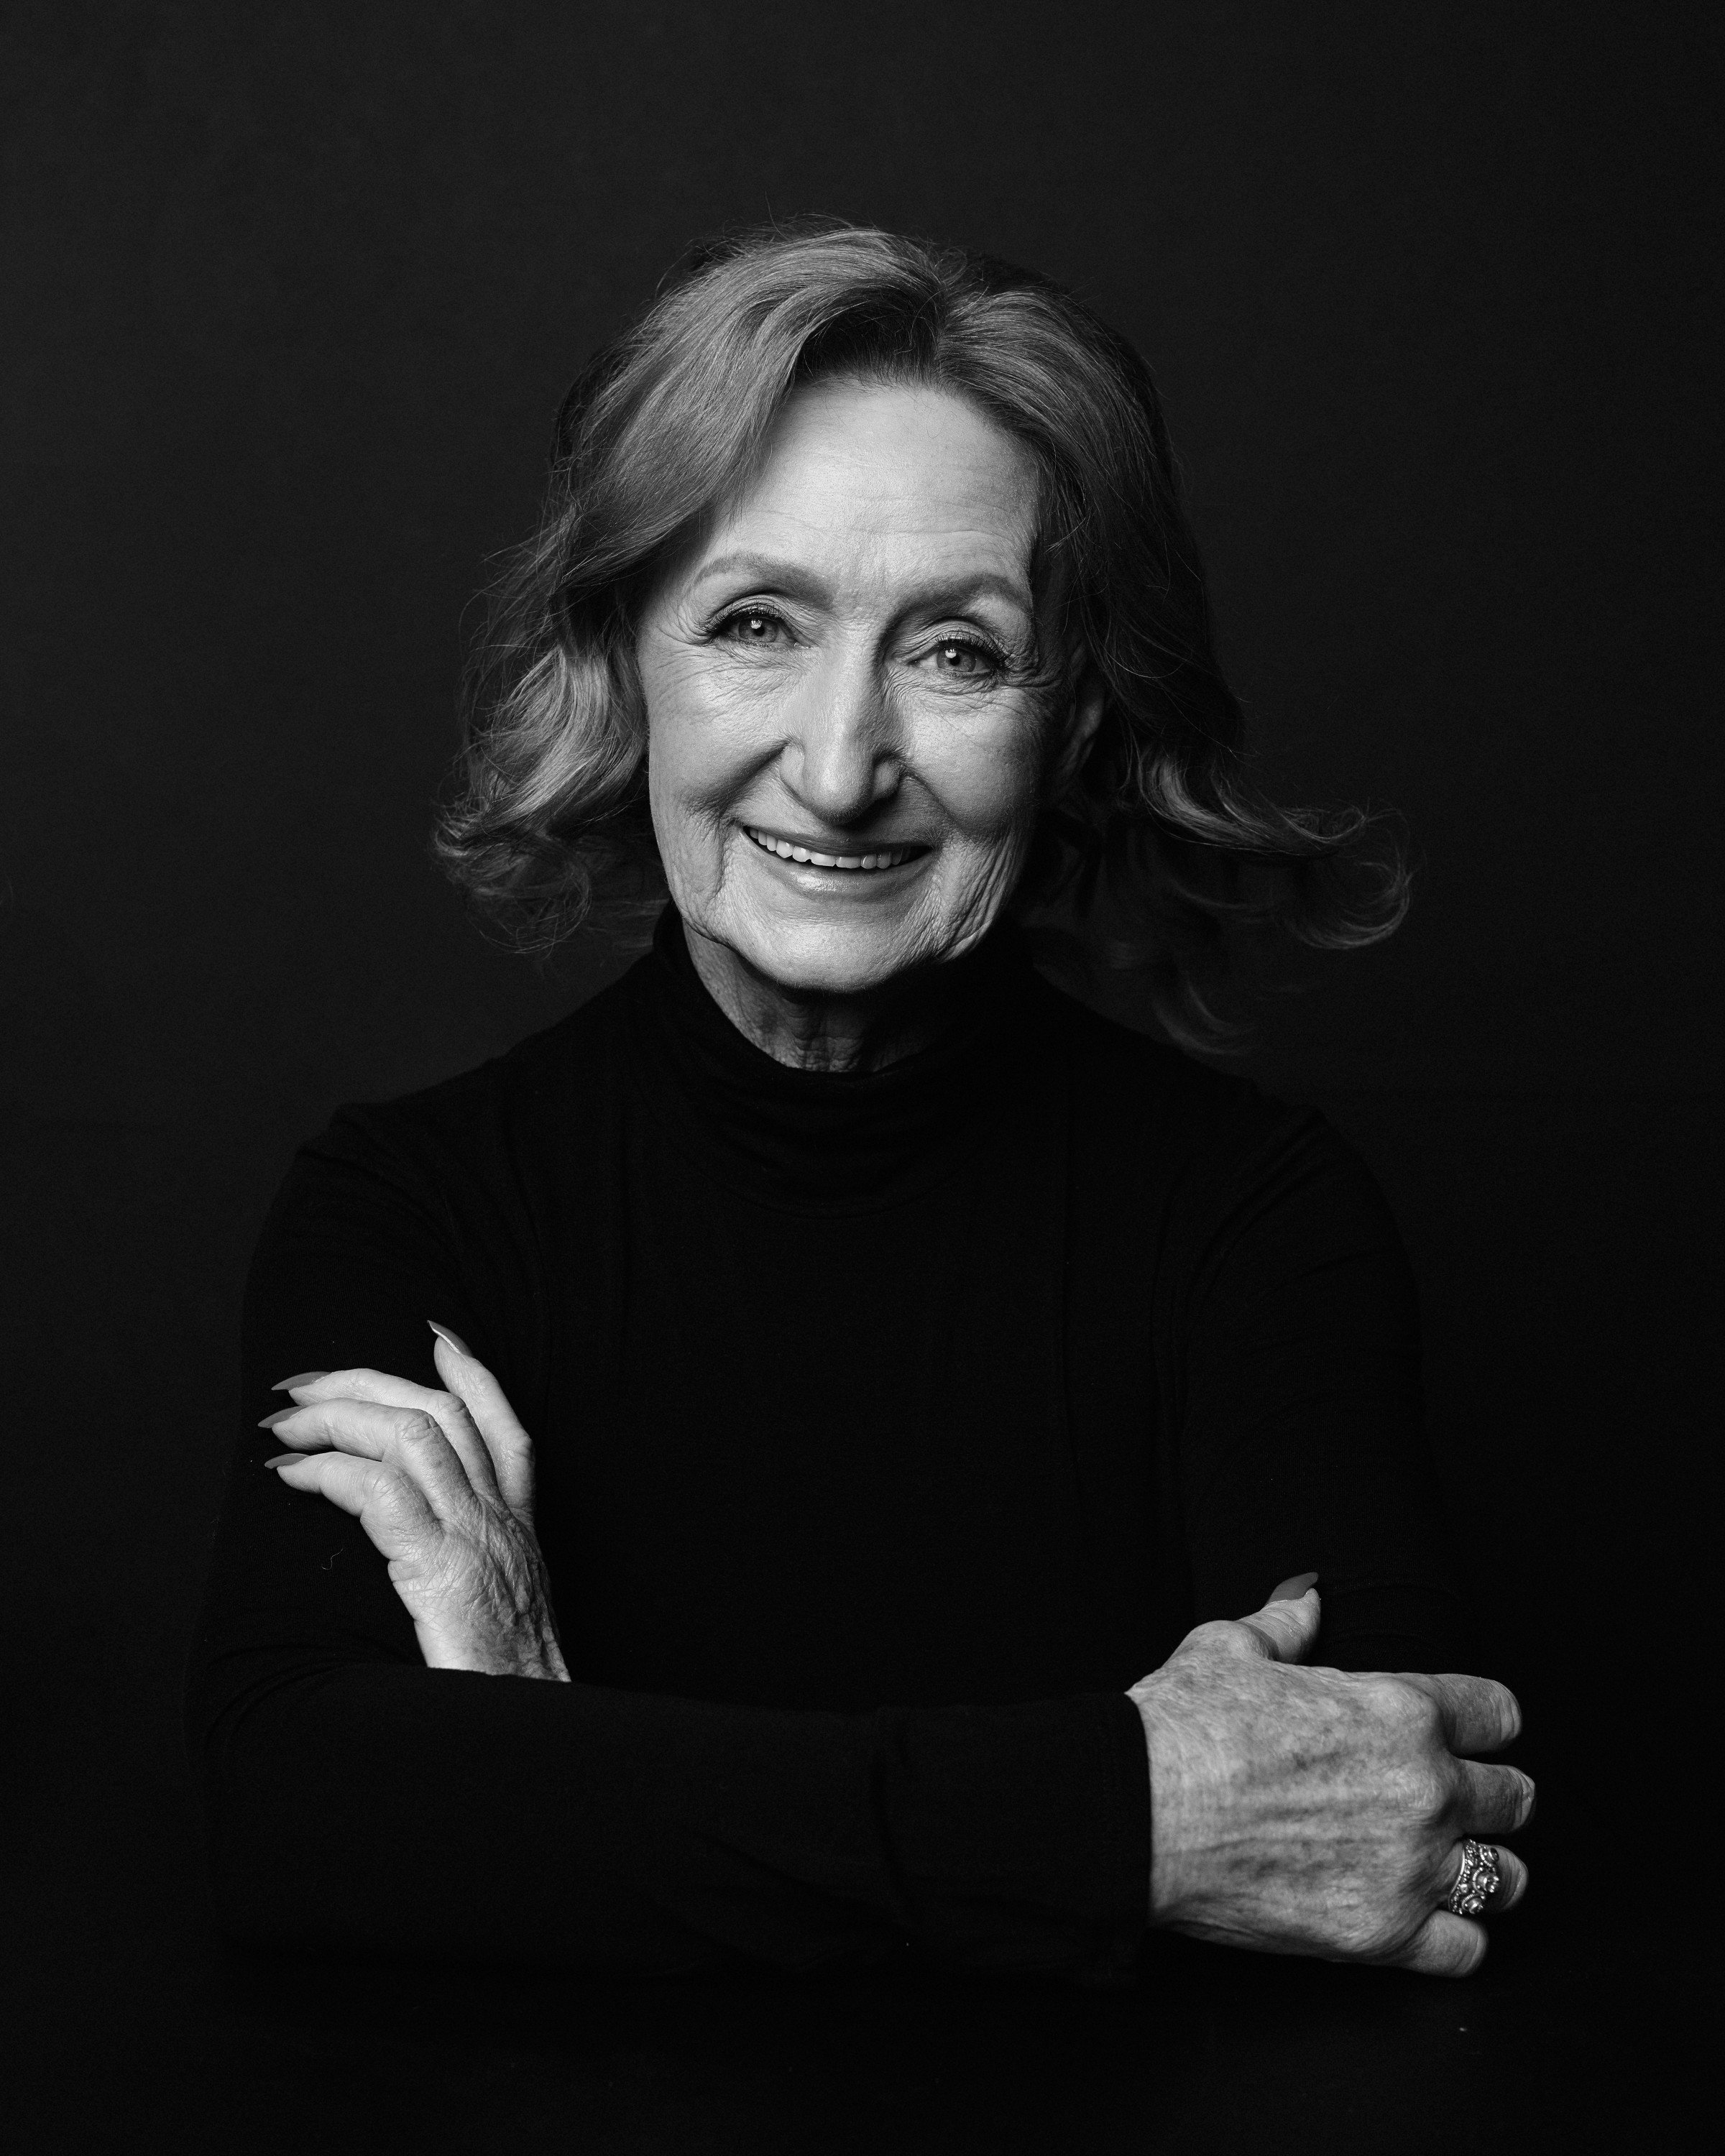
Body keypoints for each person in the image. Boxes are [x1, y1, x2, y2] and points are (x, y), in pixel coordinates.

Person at [187, 222, 1532, 1988]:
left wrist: (535, 1759)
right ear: (625, 665)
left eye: (959, 654)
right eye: (755, 623)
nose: (838, 764)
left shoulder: (1253, 1222)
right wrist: (1126, 1818)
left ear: (1071, 721)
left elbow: (1395, 1842)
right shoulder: (411, 1208)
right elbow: (295, 1821)